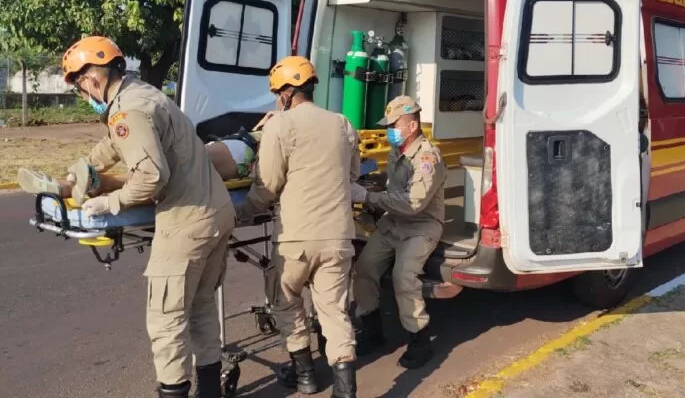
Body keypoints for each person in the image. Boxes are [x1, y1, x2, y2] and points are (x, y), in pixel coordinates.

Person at [58, 35, 235, 398]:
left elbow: (152, 177)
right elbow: (114, 144)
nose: (83, 95)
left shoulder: (129, 110)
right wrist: (84, 169)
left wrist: (111, 202)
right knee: (201, 307)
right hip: (217, 212)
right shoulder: (145, 95)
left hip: (186, 220)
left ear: (92, 78)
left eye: (79, 87)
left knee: (166, 320)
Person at [254, 56, 358, 398]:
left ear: (285, 93)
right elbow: (352, 175)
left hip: (296, 239)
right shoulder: (342, 123)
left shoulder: (279, 126)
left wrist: (241, 213)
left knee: (285, 300)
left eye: (276, 93)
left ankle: (306, 376)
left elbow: (268, 184)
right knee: (334, 311)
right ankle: (345, 392)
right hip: (338, 237)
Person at [350, 95, 446, 369]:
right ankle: (372, 331)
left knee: (404, 276)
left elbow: (413, 203)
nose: (389, 130)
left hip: (421, 226)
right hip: (393, 222)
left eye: (394, 124)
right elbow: (394, 189)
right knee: (365, 269)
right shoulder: (398, 151)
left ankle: (419, 340)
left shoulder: (427, 157)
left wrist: (367, 198)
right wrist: (371, 187)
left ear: (412, 126)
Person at [17, 123, 270, 204]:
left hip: (238, 149)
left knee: (164, 170)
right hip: (244, 154)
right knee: (165, 175)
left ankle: (67, 185)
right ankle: (86, 183)